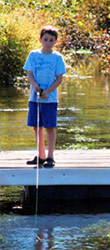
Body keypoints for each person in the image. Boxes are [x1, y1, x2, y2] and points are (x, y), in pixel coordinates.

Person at [24, 26, 66, 167]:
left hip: (50, 99)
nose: (48, 43)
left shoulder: (57, 58)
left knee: (50, 127)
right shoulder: (33, 55)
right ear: (40, 40)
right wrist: (35, 85)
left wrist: (48, 91)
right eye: (46, 39)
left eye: (51, 40)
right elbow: (29, 73)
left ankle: (50, 156)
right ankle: (41, 155)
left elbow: (59, 79)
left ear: (55, 42)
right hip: (34, 98)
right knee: (37, 126)